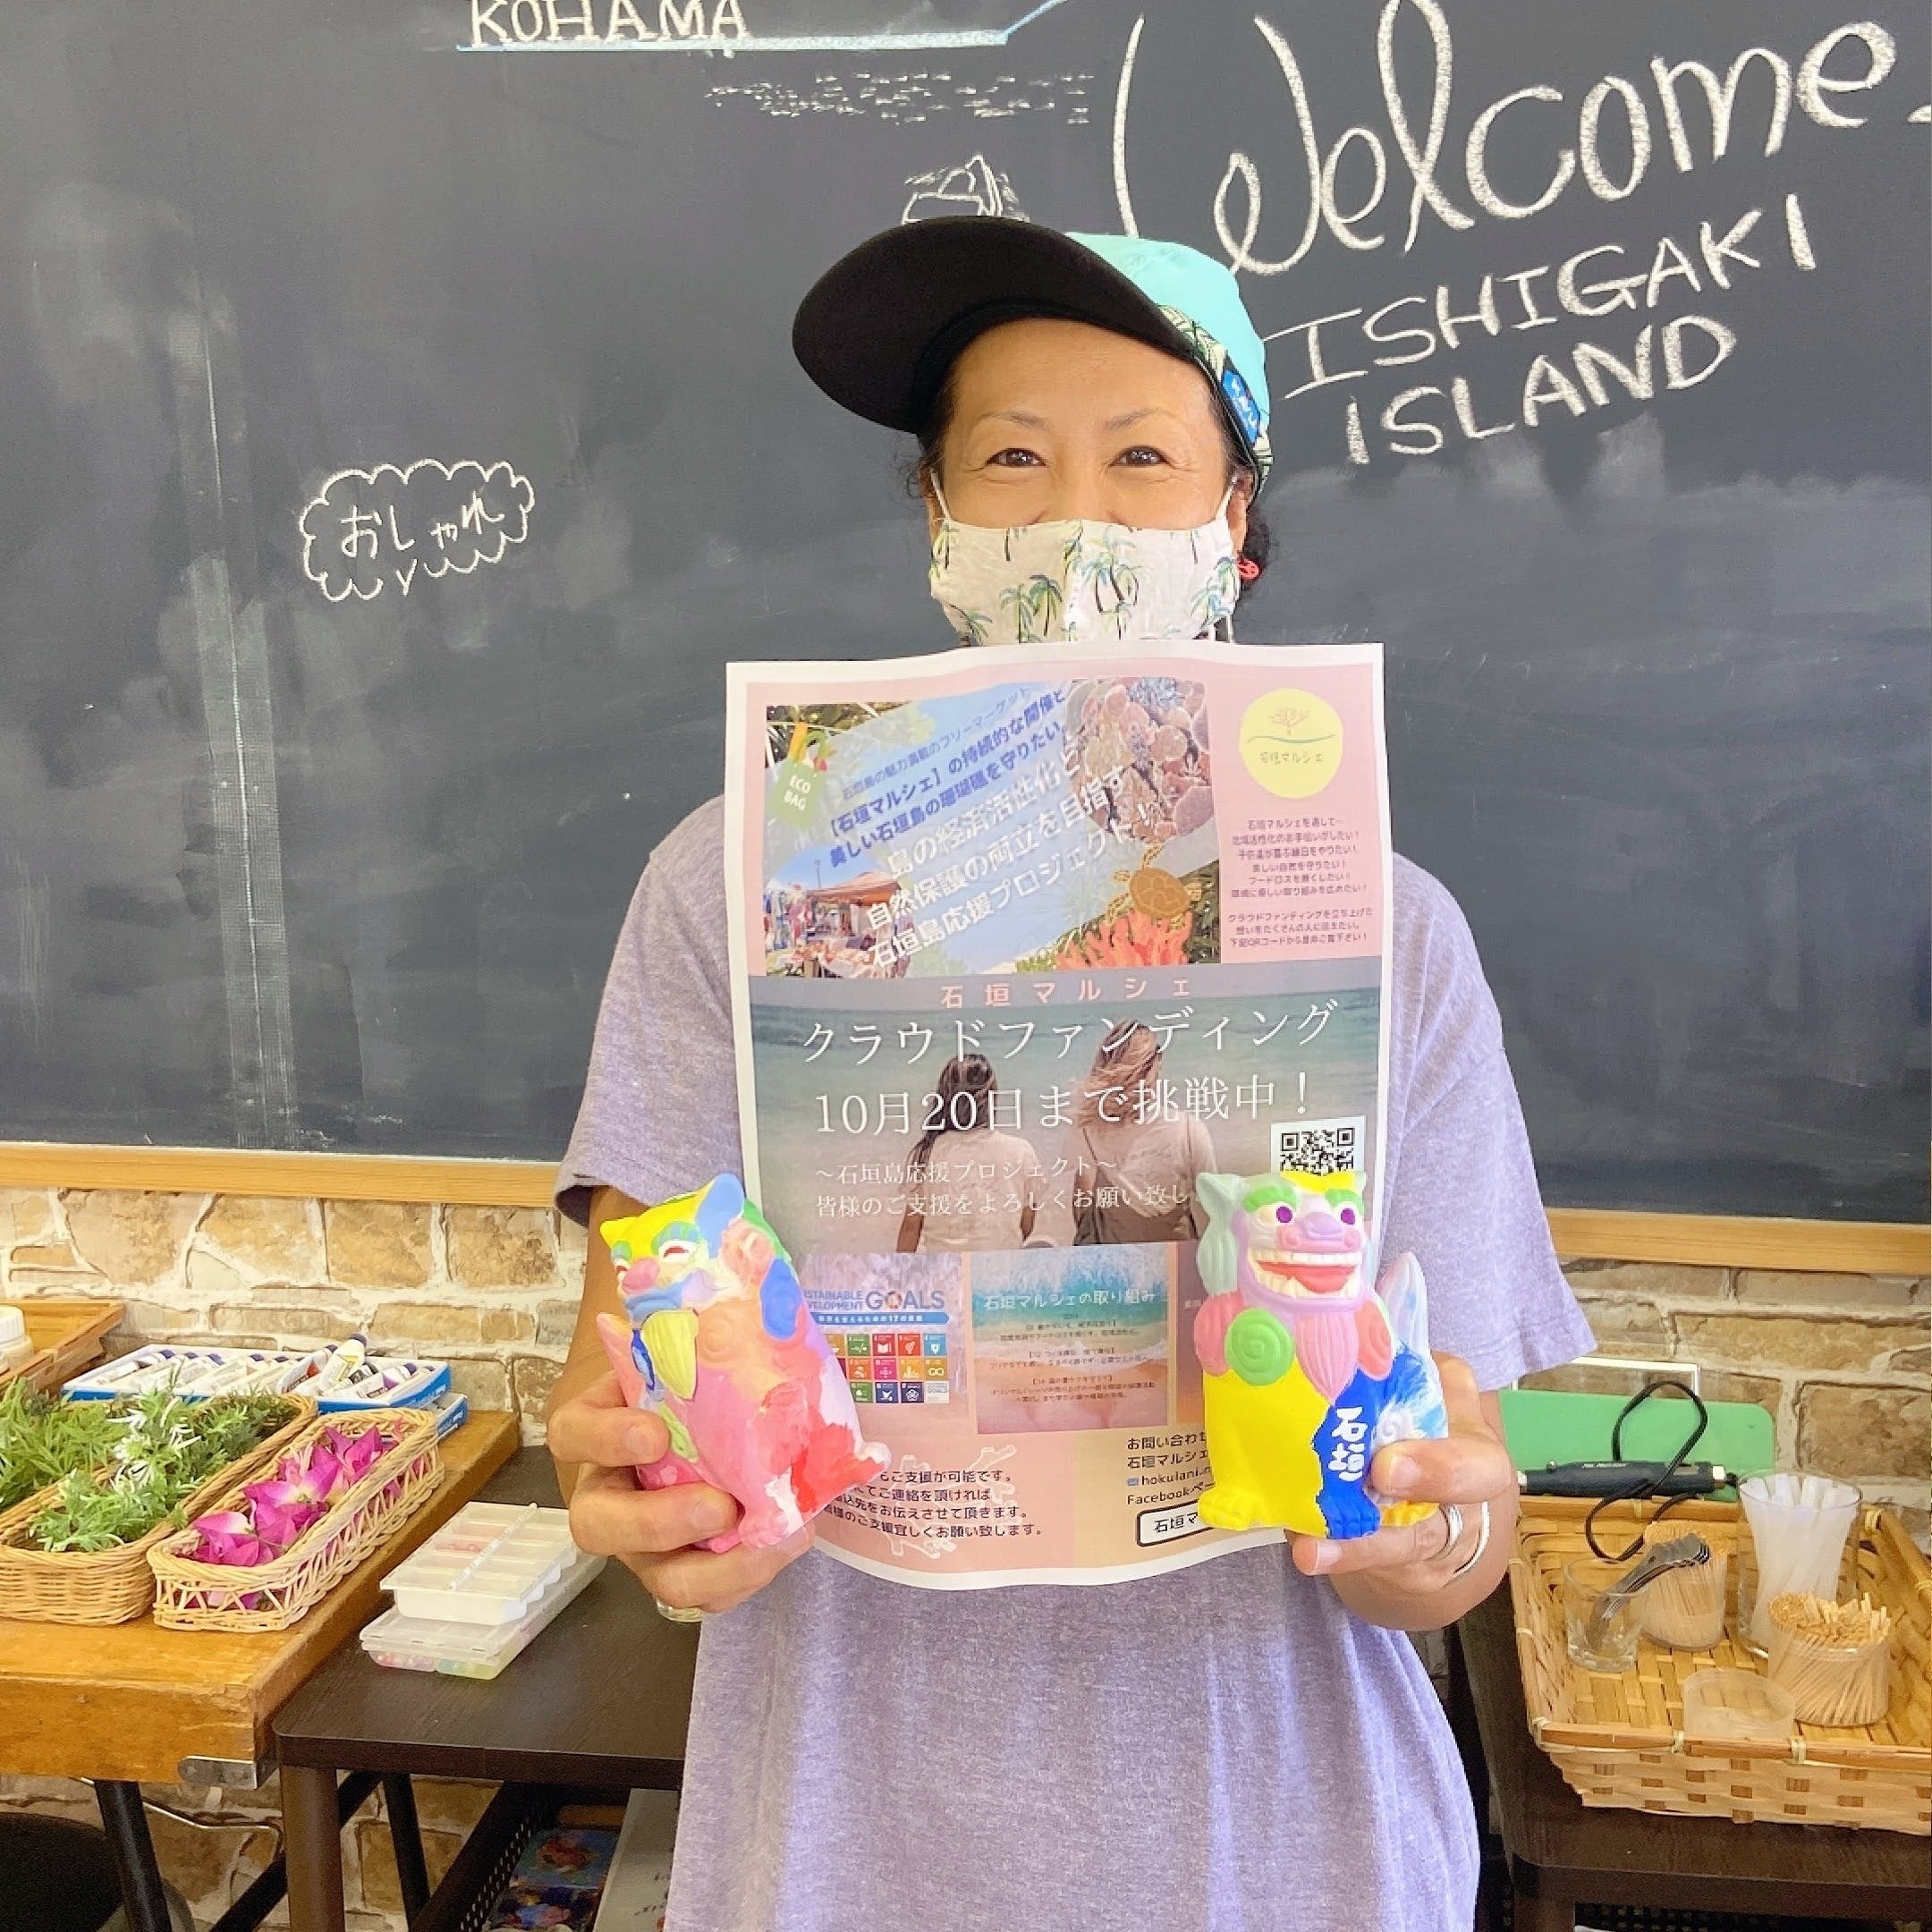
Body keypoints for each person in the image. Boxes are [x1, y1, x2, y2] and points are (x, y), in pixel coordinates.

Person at [546, 218, 1592, 1932]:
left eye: (1146, 459)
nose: (1077, 521)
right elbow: (650, 1416)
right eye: (1013, 459)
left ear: (1235, 519)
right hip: (845, 1854)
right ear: (937, 519)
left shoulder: (1394, 932)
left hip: (1288, 1855)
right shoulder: (725, 889)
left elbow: (1446, 1543)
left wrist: (1423, 1536)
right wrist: (666, 1502)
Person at [1064, 1018, 1214, 1242]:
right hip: (1176, 1255)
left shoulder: (1088, 1128)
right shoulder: (1188, 1129)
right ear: (1156, 1064)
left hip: (1116, 1256)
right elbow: (1213, 1208)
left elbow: (1083, 1204)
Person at [894, 1053, 1054, 1252]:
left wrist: (900, 1270)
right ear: (991, 1099)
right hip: (998, 1264)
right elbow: (1025, 1225)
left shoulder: (928, 1153)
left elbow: (911, 1227)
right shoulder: (1020, 1151)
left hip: (946, 1265)